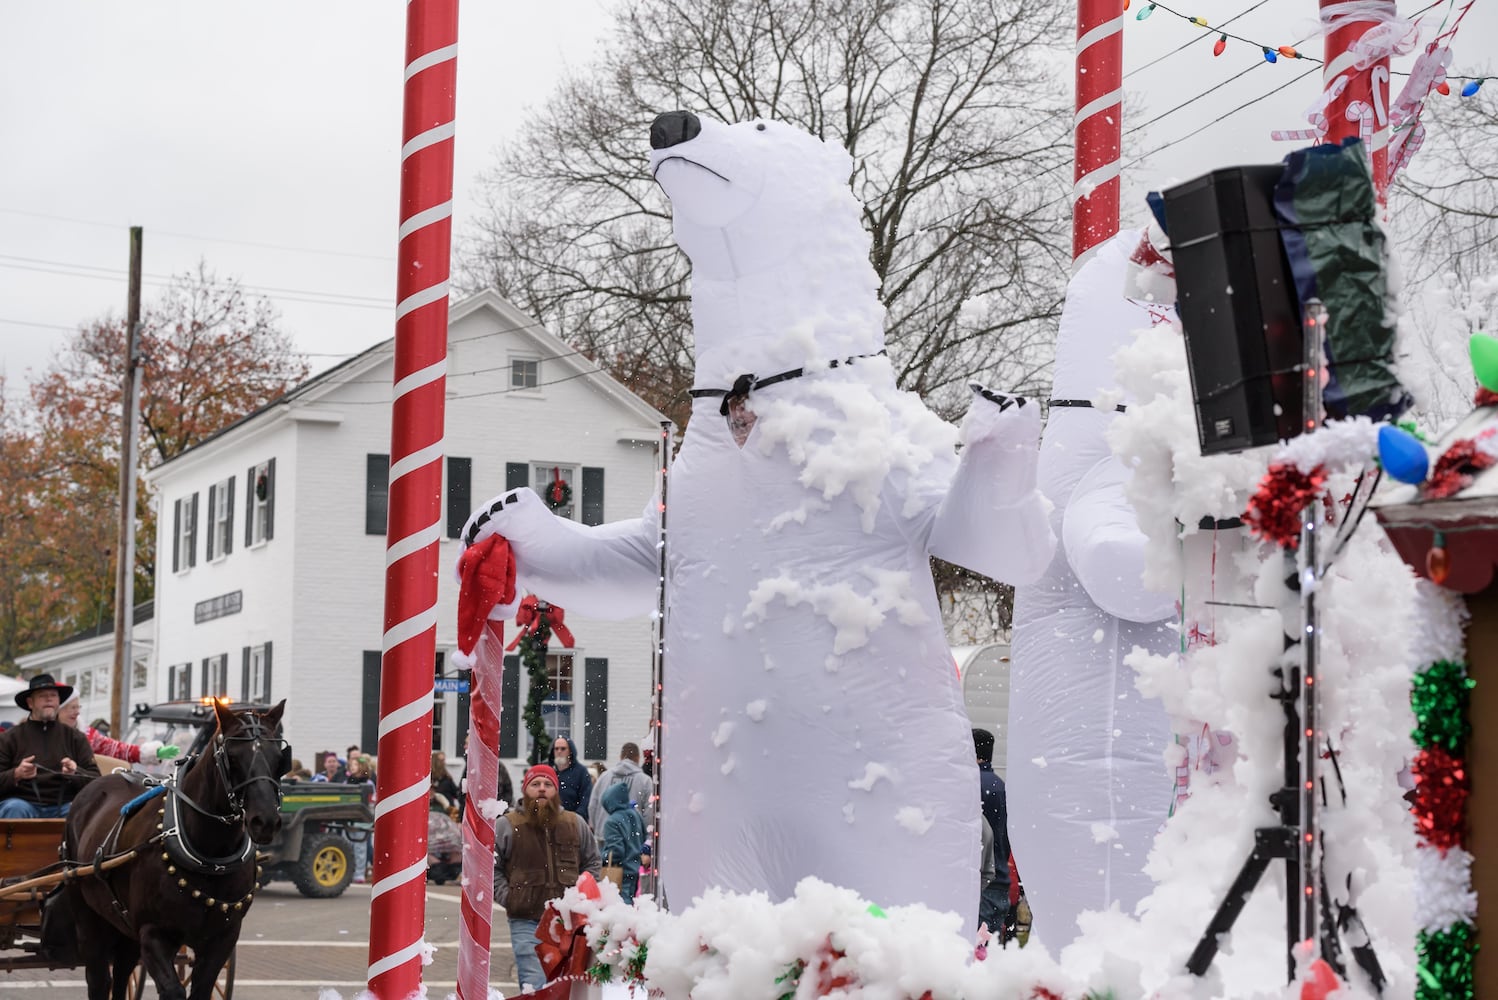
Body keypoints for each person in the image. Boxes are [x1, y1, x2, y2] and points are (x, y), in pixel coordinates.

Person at [494, 764, 602, 992]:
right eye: (535, 784)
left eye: (547, 784)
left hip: (570, 923)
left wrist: (583, 897)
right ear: (525, 790)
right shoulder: (507, 825)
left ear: (556, 791)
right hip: (526, 920)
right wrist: (509, 896)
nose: (541, 789)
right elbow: (492, 868)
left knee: (569, 986)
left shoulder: (575, 823)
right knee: (534, 984)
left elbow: (592, 861)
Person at [0, 674, 100, 818]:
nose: (49, 699)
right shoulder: (9, 738)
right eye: (42, 696)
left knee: (82, 811)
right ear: (30, 703)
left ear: (59, 701)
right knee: (15, 808)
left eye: (53, 695)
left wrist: (75, 773)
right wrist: (16, 774)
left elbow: (96, 780)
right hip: (23, 803)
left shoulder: (75, 738)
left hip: (65, 804)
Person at [59, 692, 179, 765]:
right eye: (71, 708)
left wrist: (153, 753)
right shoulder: (44, 735)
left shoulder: (88, 735)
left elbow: (117, 750)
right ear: (57, 710)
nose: (77, 712)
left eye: (77, 707)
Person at [973, 728, 1011, 935]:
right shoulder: (1002, 787)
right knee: (991, 956)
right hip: (1001, 882)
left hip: (980, 885)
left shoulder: (971, 786)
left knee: (972, 956)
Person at [587, 742, 656, 836]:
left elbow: (592, 805)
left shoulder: (604, 777)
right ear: (638, 758)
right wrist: (644, 834)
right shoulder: (645, 781)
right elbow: (649, 811)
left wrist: (597, 828)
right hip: (631, 839)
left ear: (620, 756)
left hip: (605, 835)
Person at [600, 781, 647, 905]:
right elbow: (643, 837)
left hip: (621, 871)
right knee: (631, 903)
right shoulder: (635, 815)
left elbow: (615, 850)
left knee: (620, 905)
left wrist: (602, 857)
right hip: (635, 869)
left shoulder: (612, 821)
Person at [547, 734, 592, 821]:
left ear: (570, 751)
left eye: (563, 749)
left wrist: (576, 818)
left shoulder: (581, 772)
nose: (559, 751)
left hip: (572, 821)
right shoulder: (548, 771)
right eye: (556, 749)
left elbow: (586, 798)